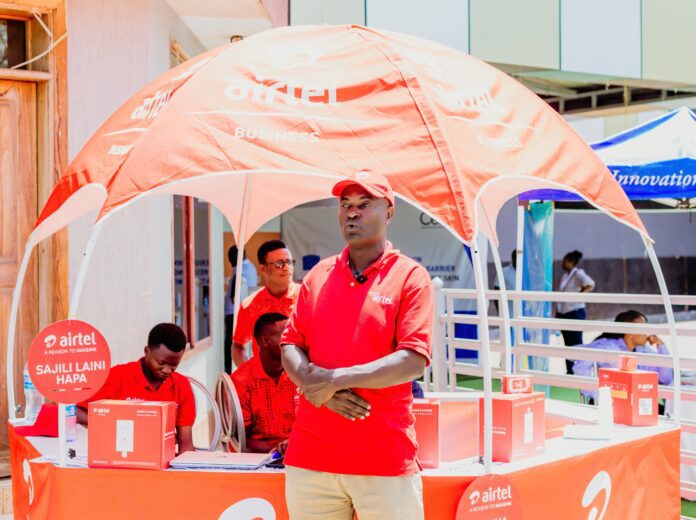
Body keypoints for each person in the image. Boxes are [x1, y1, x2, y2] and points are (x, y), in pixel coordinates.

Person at [281, 172, 434, 520]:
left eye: (364, 205)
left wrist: (335, 379)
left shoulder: (410, 277)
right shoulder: (318, 275)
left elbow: (413, 360)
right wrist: (316, 388)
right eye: (345, 205)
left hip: (384, 460)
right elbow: (290, 344)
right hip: (312, 458)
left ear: (389, 213)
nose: (352, 213)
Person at [77, 323, 195, 453]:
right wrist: (108, 423)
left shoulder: (181, 385)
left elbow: (186, 444)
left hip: (163, 460)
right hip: (118, 456)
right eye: (161, 363)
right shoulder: (118, 377)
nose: (167, 370)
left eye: (174, 365)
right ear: (147, 351)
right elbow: (72, 410)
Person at [572, 310, 673, 406]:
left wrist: (661, 346)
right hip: (610, 404)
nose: (648, 334)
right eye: (644, 329)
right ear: (631, 332)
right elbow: (580, 367)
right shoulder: (608, 347)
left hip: (635, 403)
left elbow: (665, 379)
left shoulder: (643, 351)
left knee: (666, 412)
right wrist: (600, 394)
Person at [232, 312, 297, 455]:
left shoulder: (300, 374)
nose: (293, 341)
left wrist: (294, 445)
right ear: (265, 341)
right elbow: (240, 439)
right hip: (259, 459)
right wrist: (279, 449)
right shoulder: (241, 381)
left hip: (300, 452)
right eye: (286, 335)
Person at [231, 240, 300, 369]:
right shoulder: (250, 306)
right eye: (280, 263)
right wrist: (248, 373)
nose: (287, 268)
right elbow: (238, 345)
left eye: (289, 262)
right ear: (263, 269)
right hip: (264, 380)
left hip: (300, 379)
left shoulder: (306, 298)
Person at [557, 250, 595, 374]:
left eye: (564, 261)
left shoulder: (578, 273)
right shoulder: (565, 276)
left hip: (575, 311)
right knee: (568, 343)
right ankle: (570, 370)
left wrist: (580, 294)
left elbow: (590, 284)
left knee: (576, 342)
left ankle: (580, 369)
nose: (562, 263)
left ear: (570, 261)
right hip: (564, 313)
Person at [224, 246, 258, 374]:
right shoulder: (251, 268)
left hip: (234, 313)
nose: (229, 261)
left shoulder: (240, 270)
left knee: (232, 346)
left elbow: (235, 295)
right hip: (246, 311)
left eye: (230, 258)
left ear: (235, 257)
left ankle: (231, 373)